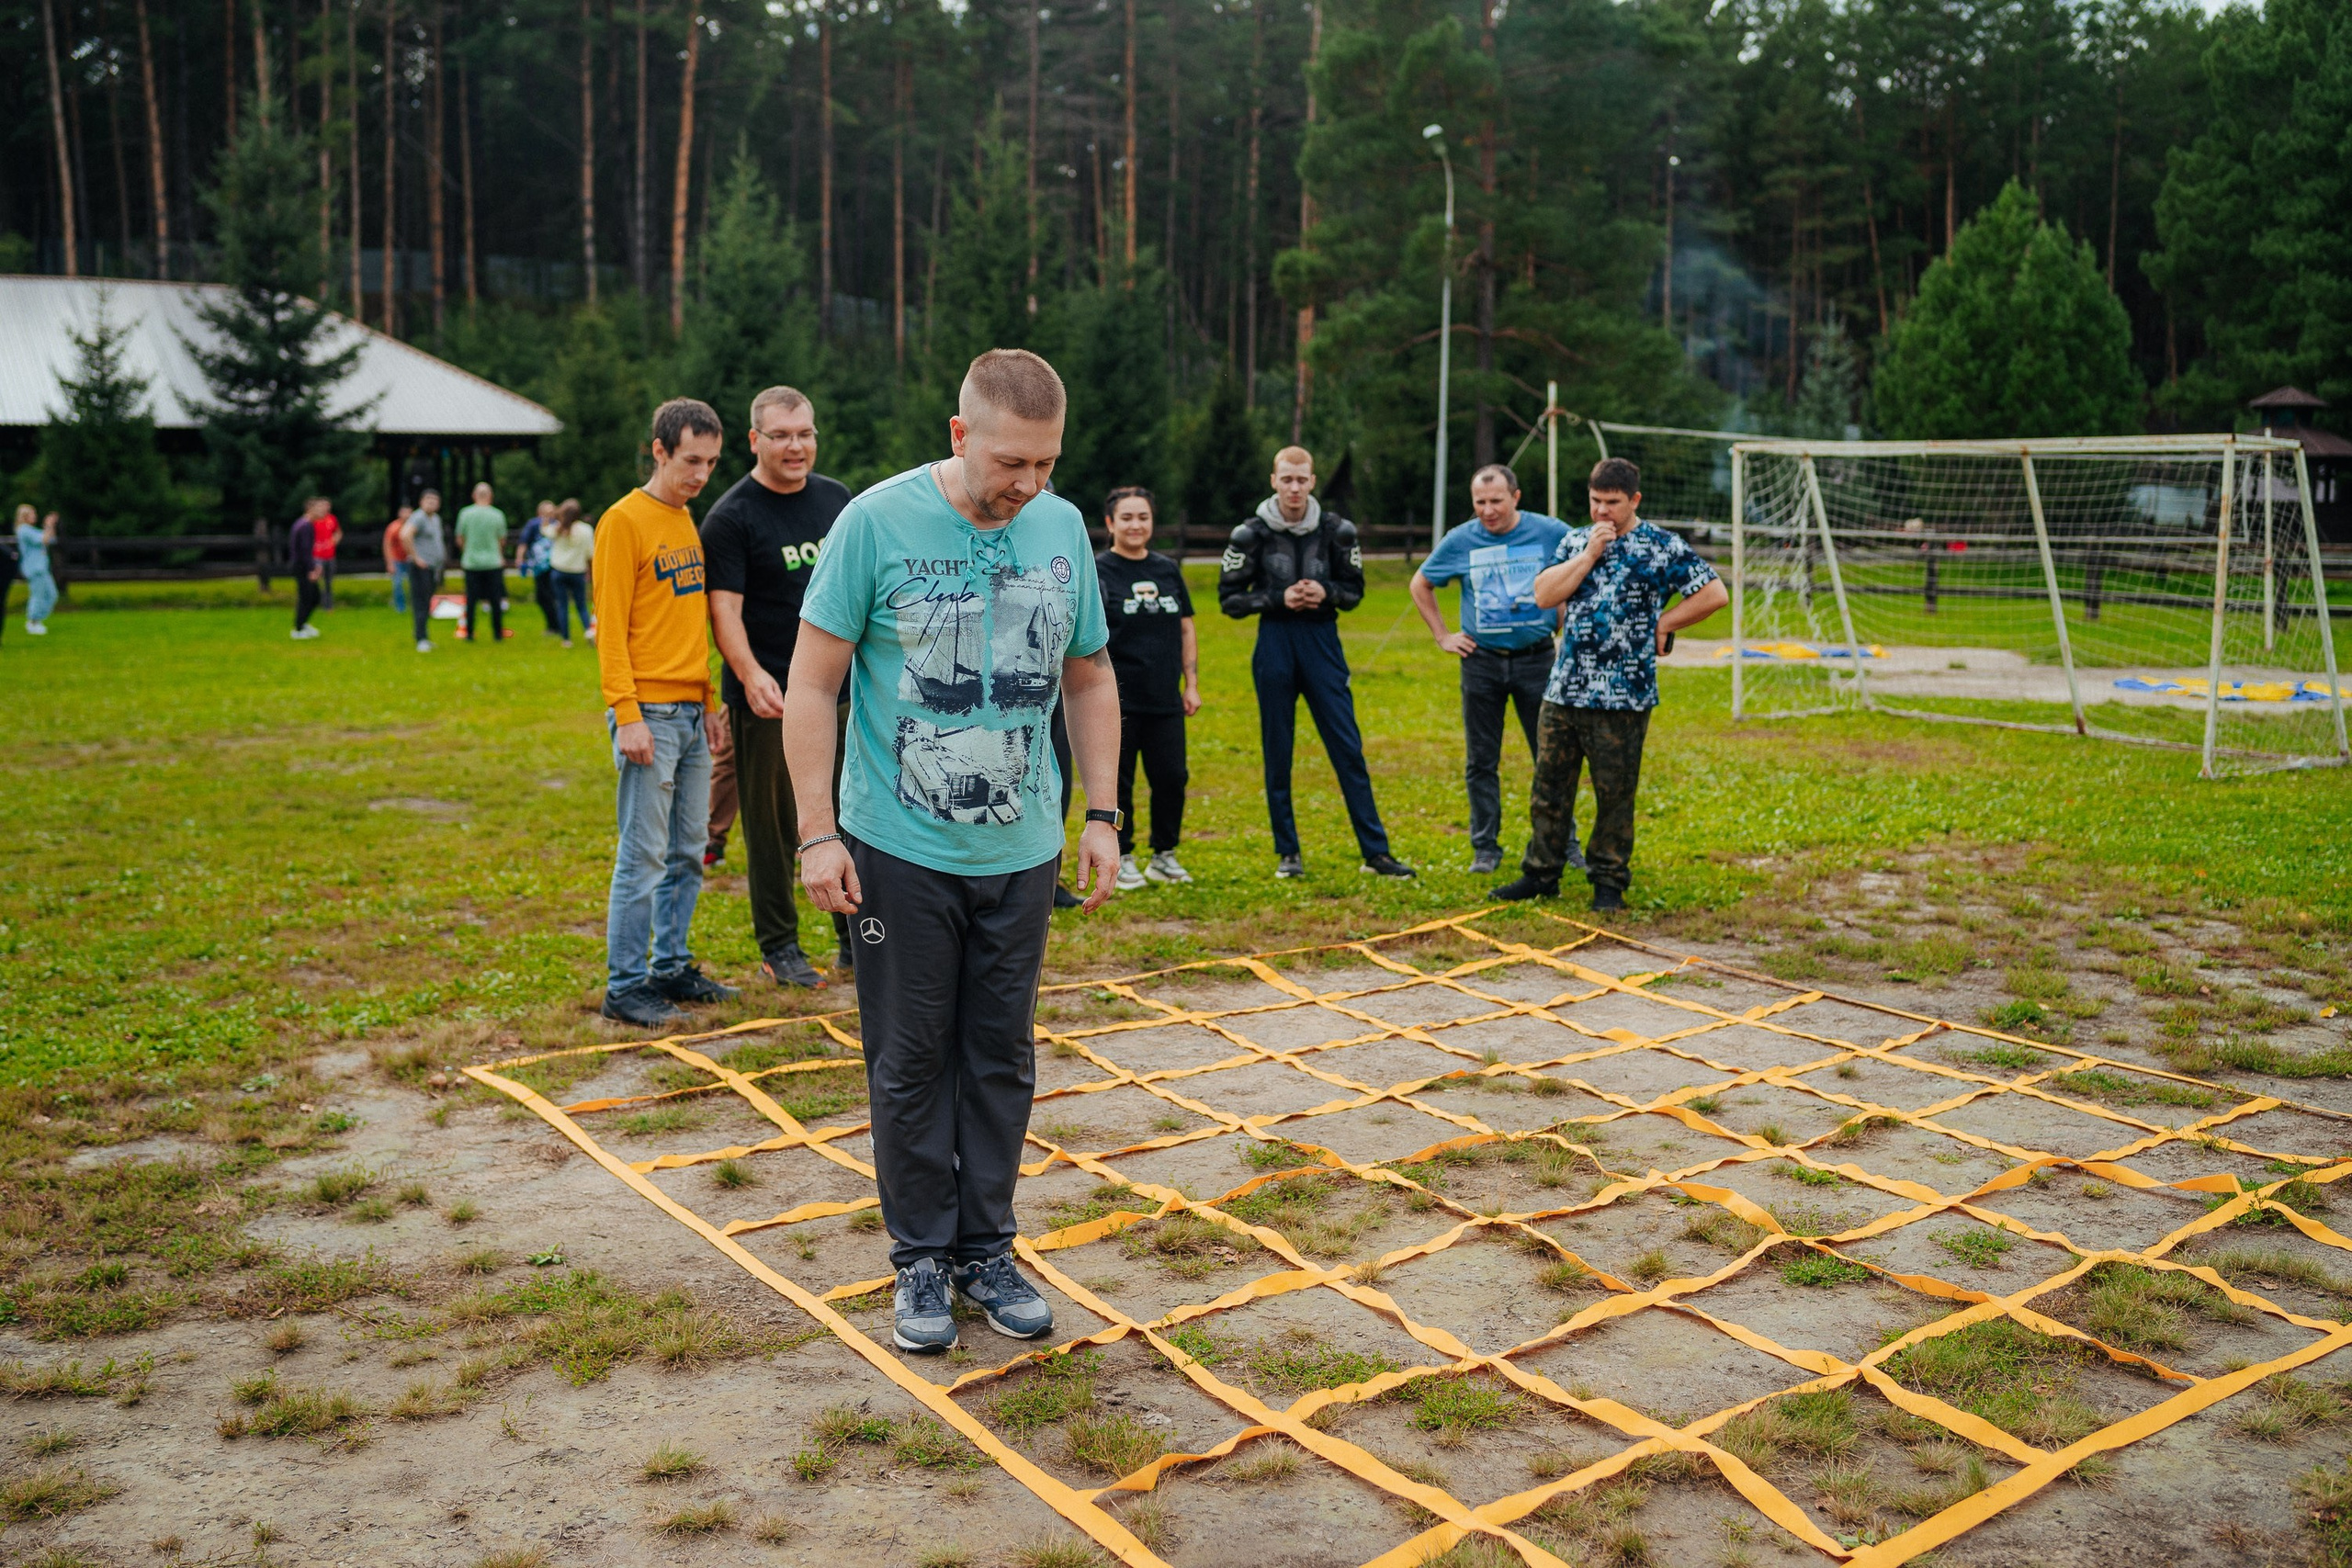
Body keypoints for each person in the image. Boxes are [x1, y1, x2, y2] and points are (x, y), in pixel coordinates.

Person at [786, 348, 1120, 1354]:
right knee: (909, 1060)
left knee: (999, 1058)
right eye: (1010, 462)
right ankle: (921, 1260)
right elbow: (811, 686)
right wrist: (813, 832)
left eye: (1047, 464)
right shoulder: (874, 524)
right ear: (960, 435)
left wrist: (1101, 815)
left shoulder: (1059, 528)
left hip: (1020, 853)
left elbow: (1092, 675)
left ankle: (987, 1248)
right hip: (898, 849)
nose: (1028, 485)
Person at [1491, 457, 1728, 911]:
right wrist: (1589, 555)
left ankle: (1609, 882)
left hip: (1624, 694)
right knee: (1548, 787)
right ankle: (1541, 873)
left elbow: (1714, 593)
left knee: (1615, 793)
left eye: (1612, 503)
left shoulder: (1661, 545)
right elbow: (1544, 594)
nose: (1602, 512)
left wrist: (1665, 622)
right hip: (1565, 689)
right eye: (1596, 501)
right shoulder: (1576, 541)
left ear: (1634, 500)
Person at [701, 385, 854, 987]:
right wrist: (751, 674)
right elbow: (724, 612)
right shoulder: (732, 516)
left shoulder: (837, 500)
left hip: (839, 690)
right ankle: (780, 946)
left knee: (849, 812)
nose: (796, 446)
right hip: (770, 694)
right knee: (771, 823)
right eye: (782, 435)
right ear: (755, 440)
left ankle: (853, 933)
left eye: (805, 433)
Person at [594, 398, 739, 1030]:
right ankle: (625, 985)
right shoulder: (623, 521)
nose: (701, 473)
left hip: (691, 710)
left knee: (688, 849)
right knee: (644, 853)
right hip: (647, 711)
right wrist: (627, 714)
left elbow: (688, 624)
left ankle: (670, 965)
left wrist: (709, 701)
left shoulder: (687, 521)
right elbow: (612, 631)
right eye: (689, 460)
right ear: (659, 450)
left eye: (710, 462)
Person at [1218, 446, 1414, 881]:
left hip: (1323, 641)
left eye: (1301, 479)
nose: (1293, 487)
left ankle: (1376, 853)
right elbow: (1228, 600)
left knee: (1348, 748)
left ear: (1312, 480)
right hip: (1275, 642)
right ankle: (1288, 852)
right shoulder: (1250, 533)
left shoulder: (1337, 530)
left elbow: (1355, 590)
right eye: (1285, 479)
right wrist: (1276, 598)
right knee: (1278, 750)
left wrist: (1326, 592)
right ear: (1274, 480)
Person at [1409, 463, 1571, 875]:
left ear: (1516, 498)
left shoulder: (1549, 531)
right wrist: (1444, 635)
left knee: (1550, 757)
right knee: (1481, 760)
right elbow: (1420, 584)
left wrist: (1564, 615)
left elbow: (1582, 565)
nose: (1488, 510)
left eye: (1496, 501)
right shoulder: (1461, 540)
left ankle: (1562, 842)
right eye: (1480, 502)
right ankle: (1485, 848)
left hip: (1537, 660)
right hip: (1481, 663)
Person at [1095, 486, 1199, 891]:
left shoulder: (1167, 569)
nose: (1136, 525)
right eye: (1127, 518)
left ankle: (1164, 854)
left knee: (1172, 777)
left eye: (1143, 517)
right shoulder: (1100, 570)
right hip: (1118, 699)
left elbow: (1186, 625)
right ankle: (1126, 854)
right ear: (1110, 524)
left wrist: (1191, 684)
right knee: (1119, 782)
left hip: (1165, 697)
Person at [455, 482, 509, 643]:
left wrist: (468, 551)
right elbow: (502, 540)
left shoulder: (465, 514)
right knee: (495, 600)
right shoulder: (497, 515)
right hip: (493, 562)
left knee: (471, 600)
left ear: (473, 496)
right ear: (491, 496)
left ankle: (469, 633)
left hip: (471, 562)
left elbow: (459, 538)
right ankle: (498, 633)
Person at [402, 490, 448, 652]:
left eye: (435, 500)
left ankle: (424, 636)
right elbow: (405, 535)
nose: (432, 503)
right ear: (421, 501)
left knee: (427, 602)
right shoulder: (419, 517)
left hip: (432, 567)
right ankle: (420, 638)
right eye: (428, 499)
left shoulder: (435, 518)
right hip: (421, 567)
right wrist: (416, 557)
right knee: (420, 602)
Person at [546, 499, 594, 647]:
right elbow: (590, 553)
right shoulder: (586, 530)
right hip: (577, 571)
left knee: (562, 605)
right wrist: (590, 572)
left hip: (558, 570)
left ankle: (566, 639)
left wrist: (550, 515)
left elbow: (544, 530)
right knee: (581, 604)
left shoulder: (557, 529)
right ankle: (588, 631)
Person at [517, 500, 560, 636]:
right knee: (543, 598)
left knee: (550, 597)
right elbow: (523, 543)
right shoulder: (533, 525)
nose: (548, 515)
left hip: (554, 566)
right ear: (539, 512)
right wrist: (520, 559)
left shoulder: (556, 525)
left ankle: (555, 627)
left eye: (551, 512)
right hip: (539, 567)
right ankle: (554, 625)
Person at [14, 507, 56, 637]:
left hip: (42, 568)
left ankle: (37, 619)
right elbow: (43, 539)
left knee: (52, 595)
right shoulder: (24, 530)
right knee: (37, 596)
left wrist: (49, 526)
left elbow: (50, 539)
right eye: (33, 514)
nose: (35, 516)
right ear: (25, 516)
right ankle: (33, 621)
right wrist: (48, 525)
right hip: (35, 568)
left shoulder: (31, 530)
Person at [288, 499, 325, 639]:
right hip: (302, 567)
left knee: (314, 596)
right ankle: (298, 629)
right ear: (310, 509)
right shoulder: (305, 526)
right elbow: (304, 550)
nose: (322, 512)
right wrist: (311, 570)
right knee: (306, 598)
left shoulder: (305, 524)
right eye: (319, 508)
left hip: (304, 566)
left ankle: (303, 624)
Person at [311, 499, 343, 610]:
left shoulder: (331, 519)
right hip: (317, 556)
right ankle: (315, 603)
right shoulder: (313, 521)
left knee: (328, 582)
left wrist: (333, 541)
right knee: (316, 580)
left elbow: (338, 532)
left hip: (330, 555)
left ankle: (328, 606)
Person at [384, 504, 413, 615]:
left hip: (410, 559)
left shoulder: (413, 526)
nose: (407, 515)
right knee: (398, 584)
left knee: (413, 585)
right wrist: (390, 563)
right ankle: (400, 608)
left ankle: (414, 606)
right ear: (400, 514)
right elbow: (387, 545)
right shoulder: (393, 527)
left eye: (409, 512)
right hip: (397, 560)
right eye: (404, 512)